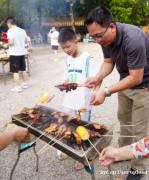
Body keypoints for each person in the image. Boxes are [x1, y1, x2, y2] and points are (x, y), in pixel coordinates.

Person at [84, 6, 149, 180]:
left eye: (98, 35)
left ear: (112, 27)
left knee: (139, 128)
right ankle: (122, 153)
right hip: (125, 84)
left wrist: (106, 91)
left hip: (144, 86)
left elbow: (136, 78)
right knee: (124, 120)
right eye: (93, 37)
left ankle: (138, 168)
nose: (97, 40)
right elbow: (108, 61)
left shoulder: (133, 38)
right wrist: (98, 77)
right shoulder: (105, 38)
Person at [57, 28, 99, 170]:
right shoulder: (68, 60)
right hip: (69, 101)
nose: (66, 50)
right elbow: (67, 77)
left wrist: (97, 92)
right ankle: (68, 149)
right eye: (63, 48)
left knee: (83, 129)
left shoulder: (88, 59)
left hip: (83, 103)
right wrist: (64, 83)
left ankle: (82, 155)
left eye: (68, 46)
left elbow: (98, 79)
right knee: (67, 125)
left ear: (76, 42)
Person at [3, 17, 30, 93]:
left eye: (7, 24)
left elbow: (11, 42)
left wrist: (6, 45)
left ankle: (18, 87)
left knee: (15, 71)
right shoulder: (22, 30)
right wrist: (21, 44)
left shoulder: (10, 31)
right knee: (23, 69)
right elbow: (27, 40)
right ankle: (24, 84)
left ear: (9, 23)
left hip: (14, 54)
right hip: (22, 52)